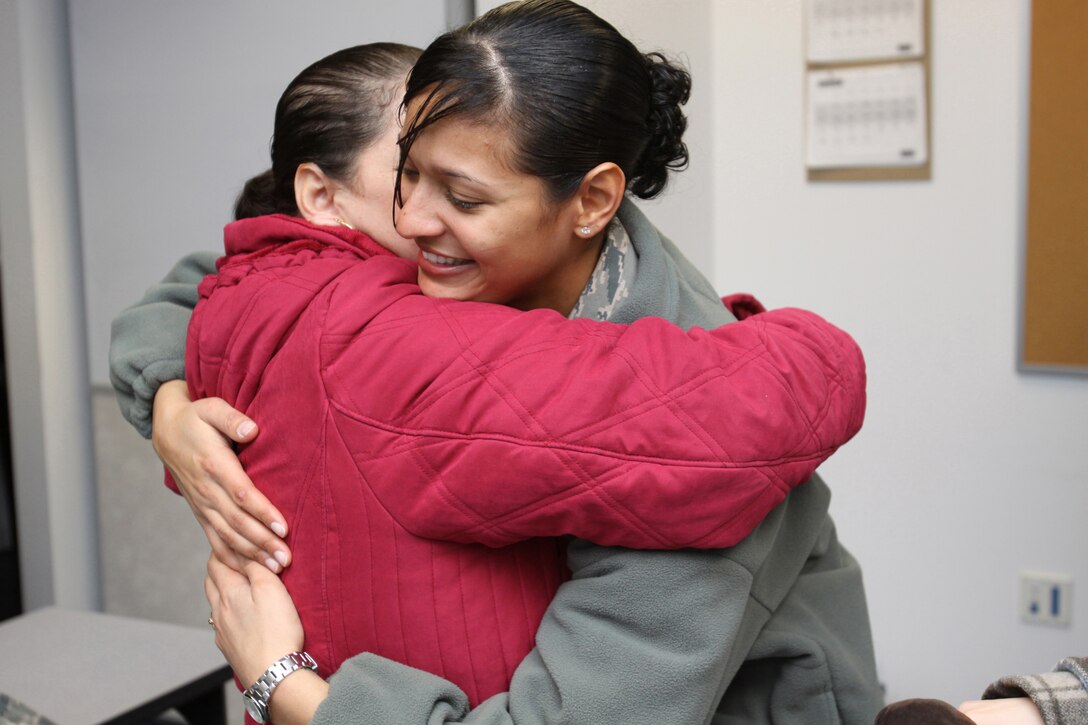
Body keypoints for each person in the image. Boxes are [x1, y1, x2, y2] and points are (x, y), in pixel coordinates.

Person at [111, 2, 882, 723]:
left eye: (463, 197)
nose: (410, 220)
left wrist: (285, 683)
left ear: (591, 201)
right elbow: (223, 276)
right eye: (408, 172)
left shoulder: (689, 451)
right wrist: (170, 407)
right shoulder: (487, 259)